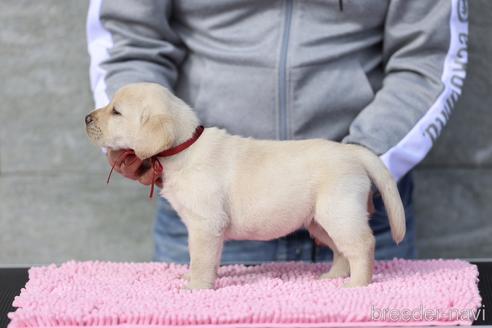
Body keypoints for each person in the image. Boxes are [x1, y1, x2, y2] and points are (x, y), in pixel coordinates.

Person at [86, 0, 468, 264]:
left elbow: (428, 58)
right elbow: (127, 38)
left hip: (356, 196)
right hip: (205, 190)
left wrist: (368, 157)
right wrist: (141, 139)